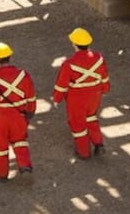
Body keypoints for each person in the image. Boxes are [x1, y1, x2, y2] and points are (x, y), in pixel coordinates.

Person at [0, 42, 36, 182]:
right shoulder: (24, 75)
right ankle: (25, 165)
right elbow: (31, 96)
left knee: (0, 146)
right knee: (20, 140)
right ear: (10, 56)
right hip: (19, 115)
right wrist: (30, 111)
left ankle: (2, 174)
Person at [52, 28, 110, 160]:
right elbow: (104, 77)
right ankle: (98, 143)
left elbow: (62, 85)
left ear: (73, 44)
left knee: (77, 124)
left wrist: (57, 98)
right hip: (95, 95)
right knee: (91, 117)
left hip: (77, 98)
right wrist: (105, 89)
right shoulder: (99, 58)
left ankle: (83, 152)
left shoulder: (69, 64)